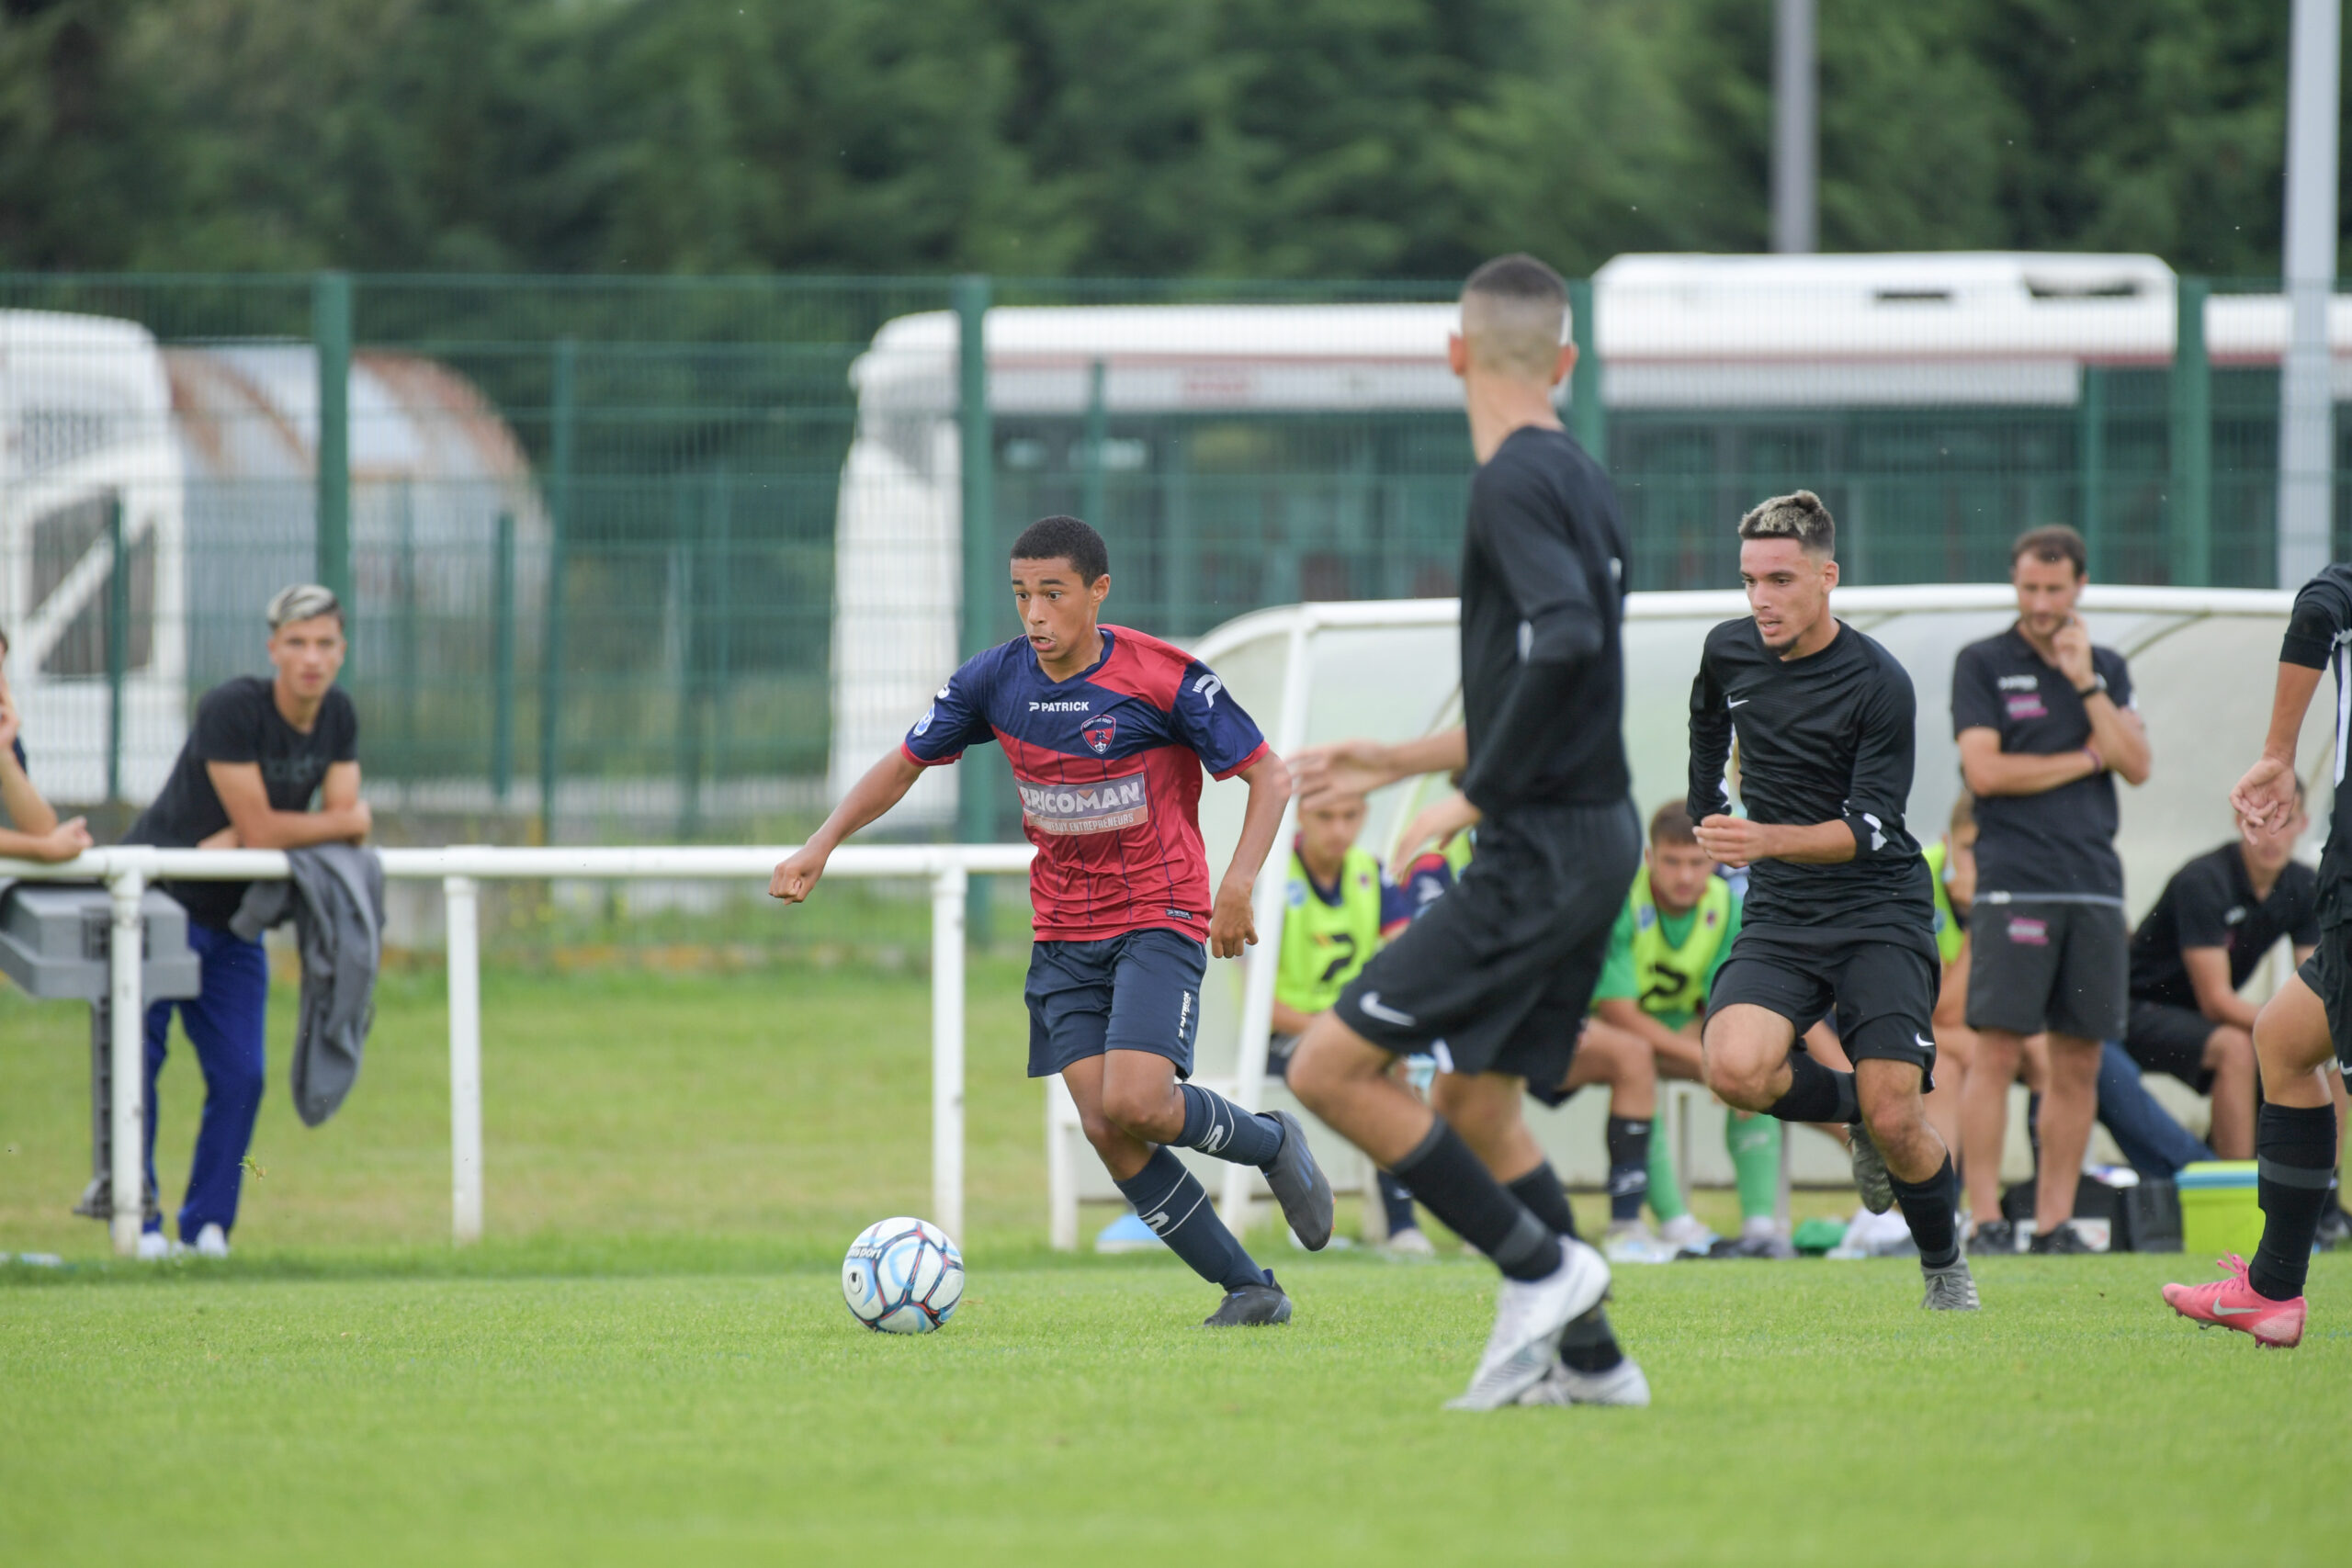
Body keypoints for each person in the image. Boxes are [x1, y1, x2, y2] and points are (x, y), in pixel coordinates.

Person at [772, 514, 1327, 1327]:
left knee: (1140, 1099)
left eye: (1053, 594)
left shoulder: (1162, 677)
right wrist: (821, 844)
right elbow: (904, 763)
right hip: (1064, 931)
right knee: (1106, 1124)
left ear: (1097, 593)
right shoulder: (994, 681)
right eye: (1022, 594)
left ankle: (1272, 1141)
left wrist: (1239, 882)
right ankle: (1251, 1289)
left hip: (1158, 908)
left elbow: (1269, 776)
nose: (1034, 613)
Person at [1285, 253, 1645, 1411]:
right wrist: (1401, 759)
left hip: (1536, 848)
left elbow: (1565, 646)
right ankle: (1593, 1364)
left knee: (1330, 1067)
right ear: (1566, 361)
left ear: (1453, 353)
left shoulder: (1505, 484)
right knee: (1474, 1107)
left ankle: (1543, 1272)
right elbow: (1557, 677)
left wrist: (1474, 797)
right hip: (1593, 835)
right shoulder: (1580, 476)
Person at [1688, 490, 1976, 1311]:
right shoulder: (1729, 651)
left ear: (1826, 576)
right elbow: (1709, 715)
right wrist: (1702, 800)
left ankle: (1945, 1271)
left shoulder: (1880, 682)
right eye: (1749, 581)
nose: (1761, 600)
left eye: (1780, 579)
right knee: (1734, 1067)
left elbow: (1874, 829)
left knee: (1900, 1119)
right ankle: (1861, 1110)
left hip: (1877, 909)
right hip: (1783, 913)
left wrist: (1762, 837)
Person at [124, 584, 368, 1260]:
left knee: (241, 1077)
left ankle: (207, 1226)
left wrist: (262, 835)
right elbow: (307, 825)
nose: (311, 658)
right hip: (157, 903)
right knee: (135, 1069)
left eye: (324, 643)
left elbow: (309, 838)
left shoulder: (338, 715)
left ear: (342, 652)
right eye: (296, 642)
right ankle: (138, 1224)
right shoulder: (231, 707)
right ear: (272, 649)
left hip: (234, 923)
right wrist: (326, 822)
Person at [2165, 562, 2352, 1346]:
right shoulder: (2208, 878)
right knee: (2284, 1034)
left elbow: (2318, 606)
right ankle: (2271, 1290)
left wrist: (2278, 751)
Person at [1952, 525, 2153, 1256]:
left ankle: (2053, 1221)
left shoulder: (2105, 666)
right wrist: (2084, 757)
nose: (2041, 602)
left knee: (2080, 1059)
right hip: (2015, 886)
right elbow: (1987, 774)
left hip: (2095, 887)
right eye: (2029, 588)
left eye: (2054, 588)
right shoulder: (1981, 663)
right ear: (2015, 584)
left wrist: (2086, 684)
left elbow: (2136, 763)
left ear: (2079, 587)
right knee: (1997, 1052)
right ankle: (1984, 1218)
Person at [1392, 789, 1673, 1265]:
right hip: (1456, 1031)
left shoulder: (1562, 857)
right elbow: (1430, 968)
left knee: (1631, 1055)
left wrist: (1561, 1009)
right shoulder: (1435, 867)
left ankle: (1627, 1226)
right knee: (1465, 1078)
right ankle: (1470, 1226)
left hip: (1535, 1021)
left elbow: (1569, 954)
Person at [1587, 802, 1796, 1259]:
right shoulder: (1621, 901)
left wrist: (1723, 1055)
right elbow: (1617, 1012)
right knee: (1636, 1064)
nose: (1684, 876)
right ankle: (1675, 1224)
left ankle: (1760, 1228)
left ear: (1715, 862)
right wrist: (1703, 1057)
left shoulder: (1729, 907)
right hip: (1600, 1032)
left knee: (1751, 1068)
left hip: (1681, 1028)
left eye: (1696, 863)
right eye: (1671, 861)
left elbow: (1725, 1003)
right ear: (1648, 858)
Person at [1267, 791, 1430, 1256]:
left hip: (1351, 1032)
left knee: (1429, 1066)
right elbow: (1262, 1007)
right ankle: (1398, 1223)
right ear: (1300, 815)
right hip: (1285, 1035)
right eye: (1325, 815)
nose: (1338, 829)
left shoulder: (1370, 872)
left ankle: (1411, 1224)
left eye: (1350, 816)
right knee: (1386, 1074)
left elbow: (1408, 958)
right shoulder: (1272, 877)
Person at [2124, 793, 2320, 1160]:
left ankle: (2322, 1198)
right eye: (2261, 822)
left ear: (2304, 825)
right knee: (2236, 1047)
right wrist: (2291, 1025)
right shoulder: (2203, 881)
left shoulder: (2304, 886)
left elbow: (2317, 989)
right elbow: (2216, 1002)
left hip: (2199, 1017)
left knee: (2323, 1047)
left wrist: (2321, 1031)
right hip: (2134, 1010)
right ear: (2240, 821)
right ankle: (2238, 1195)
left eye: (2285, 821)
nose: (2272, 837)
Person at [0, 625, 96, 864]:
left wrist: (4, 754)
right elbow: (44, 840)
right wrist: (44, 848)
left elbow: (40, 827)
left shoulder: (5, 737)